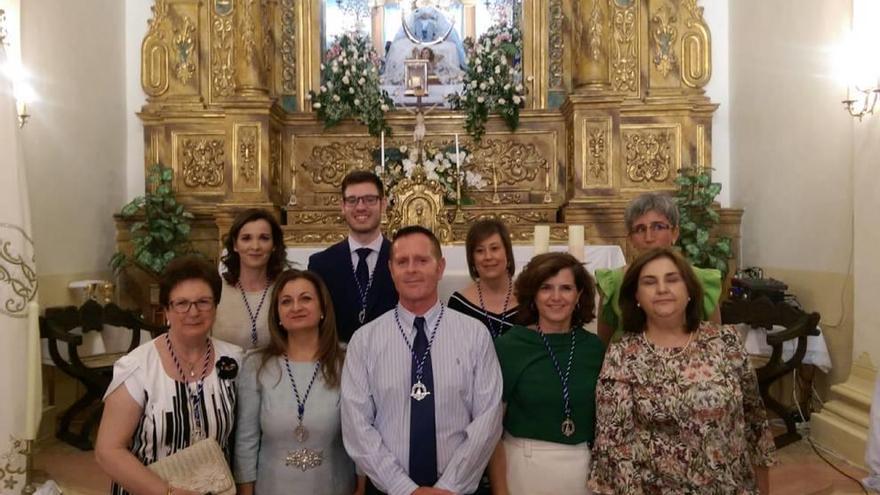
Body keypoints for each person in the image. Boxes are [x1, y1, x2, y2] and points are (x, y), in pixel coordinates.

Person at [589, 247, 775, 494]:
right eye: (649, 282)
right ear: (636, 296)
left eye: (672, 279)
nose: (662, 289)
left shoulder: (726, 341)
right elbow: (613, 447)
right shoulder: (623, 354)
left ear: (689, 290)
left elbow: (755, 423)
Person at [341, 226, 503, 495]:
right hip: (387, 490)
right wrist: (404, 489)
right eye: (402, 262)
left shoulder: (474, 334)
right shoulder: (365, 340)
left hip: (457, 491)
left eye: (422, 260)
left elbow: (488, 418)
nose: (412, 269)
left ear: (440, 268)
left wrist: (450, 486)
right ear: (391, 270)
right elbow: (357, 425)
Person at [95, 256, 243, 495]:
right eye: (181, 303)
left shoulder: (235, 360)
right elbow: (108, 451)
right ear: (166, 310)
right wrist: (167, 493)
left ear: (215, 306)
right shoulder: (138, 368)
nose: (193, 312)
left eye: (203, 302)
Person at [235, 269, 361, 495]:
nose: (296, 307)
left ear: (322, 308)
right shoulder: (256, 365)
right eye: (286, 301)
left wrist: (361, 485)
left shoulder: (348, 361)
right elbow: (246, 441)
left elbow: (362, 433)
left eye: (306, 298)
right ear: (277, 314)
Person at [489, 252, 605, 495]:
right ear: (533, 295)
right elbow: (491, 432)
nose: (556, 297)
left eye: (566, 288)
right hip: (525, 468)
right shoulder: (510, 346)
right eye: (546, 288)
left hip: (584, 470)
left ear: (579, 295)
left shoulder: (594, 348)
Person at [595, 192, 722, 344]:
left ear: (674, 233)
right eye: (640, 229)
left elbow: (717, 343)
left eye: (658, 227)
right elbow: (604, 344)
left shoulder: (701, 280)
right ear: (630, 239)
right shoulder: (613, 282)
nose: (649, 237)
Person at [309, 170, 398, 343]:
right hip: (337, 362)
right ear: (342, 206)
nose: (361, 207)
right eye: (352, 200)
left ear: (383, 204)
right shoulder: (321, 264)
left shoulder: (402, 259)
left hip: (393, 358)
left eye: (370, 199)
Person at [215, 208, 289, 349]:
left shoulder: (285, 290)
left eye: (264, 238)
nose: (255, 247)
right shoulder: (216, 289)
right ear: (235, 245)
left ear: (274, 245)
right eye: (246, 238)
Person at [448, 219, 518, 339]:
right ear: (472, 259)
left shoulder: (529, 299)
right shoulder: (459, 305)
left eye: (494, 248)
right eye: (480, 251)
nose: (488, 257)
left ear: (507, 252)